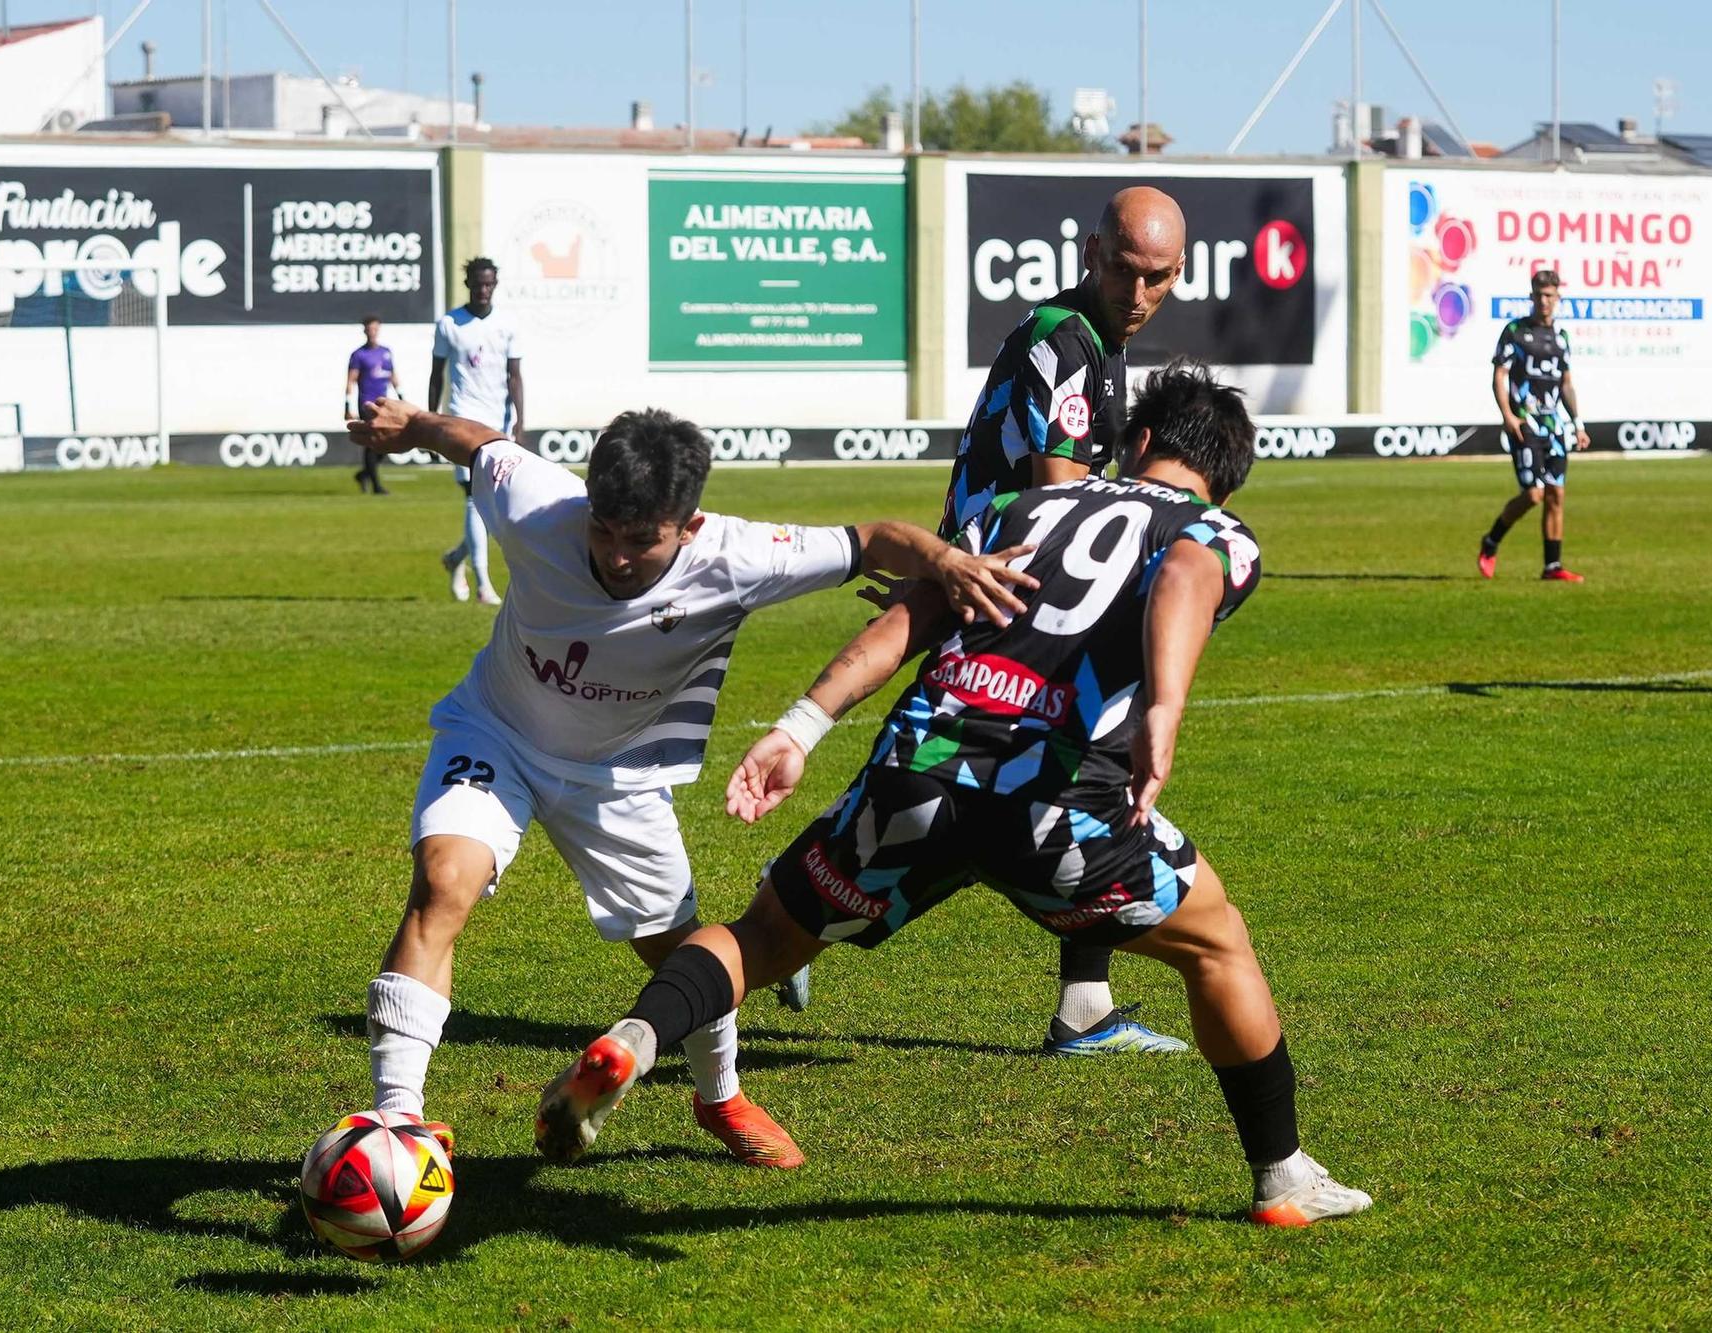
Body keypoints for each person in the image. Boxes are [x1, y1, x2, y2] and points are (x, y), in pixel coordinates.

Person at [536, 362, 1373, 1226]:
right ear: (1225, 475)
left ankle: (638, 1036)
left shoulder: (1020, 510)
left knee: (765, 935)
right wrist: (1164, 703)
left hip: (919, 768)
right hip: (1053, 799)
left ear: (1142, 442)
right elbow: (1187, 572)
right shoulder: (1218, 530)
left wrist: (801, 724)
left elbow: (915, 616)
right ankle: (1283, 1177)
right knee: (1218, 942)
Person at [345, 397, 1036, 1169]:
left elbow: (871, 539)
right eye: (603, 530)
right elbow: (474, 441)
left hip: (621, 778)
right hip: (496, 733)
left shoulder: (740, 555)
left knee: (686, 952)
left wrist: (945, 562)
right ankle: (394, 1121)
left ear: (690, 524)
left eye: (641, 540)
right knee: (443, 883)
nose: (615, 554)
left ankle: (720, 1095)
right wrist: (409, 426)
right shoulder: (538, 500)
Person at [934, 185, 1191, 1056]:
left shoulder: (1092, 342)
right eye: (1125, 268)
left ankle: (1085, 1002)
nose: (1139, 290)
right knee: (1042, 785)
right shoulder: (1072, 341)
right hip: (1011, 586)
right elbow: (1060, 492)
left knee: (1026, 778)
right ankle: (797, 918)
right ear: (1090, 253)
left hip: (997, 576)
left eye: (1157, 276)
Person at [1479, 269, 1589, 583]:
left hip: (1554, 428)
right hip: (1525, 425)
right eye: (1539, 295)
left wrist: (1577, 424)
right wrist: (1508, 415)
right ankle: (1491, 541)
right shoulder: (1515, 331)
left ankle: (1552, 566)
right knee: (1533, 494)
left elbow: (1566, 383)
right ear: (1531, 297)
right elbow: (1499, 376)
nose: (1544, 301)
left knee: (1557, 494)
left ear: (1558, 298)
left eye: (1550, 295)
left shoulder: (1561, 337)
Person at [431, 258, 522, 605]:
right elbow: (436, 374)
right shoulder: (449, 323)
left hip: (497, 422)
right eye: (477, 284)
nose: (483, 291)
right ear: (467, 283)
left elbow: (515, 375)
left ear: (495, 285)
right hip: (461, 417)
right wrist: (432, 421)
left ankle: (456, 559)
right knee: (473, 498)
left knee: (494, 509)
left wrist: (520, 422)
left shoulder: (507, 324)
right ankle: (484, 584)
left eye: (488, 285)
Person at [345, 316, 399, 495]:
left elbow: (392, 377)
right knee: (373, 442)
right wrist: (347, 406)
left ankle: (364, 474)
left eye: (375, 329)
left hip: (384, 404)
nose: (372, 332)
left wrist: (402, 398)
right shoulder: (359, 355)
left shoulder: (386, 352)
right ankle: (376, 486)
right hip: (367, 404)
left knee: (388, 441)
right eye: (369, 329)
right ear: (365, 331)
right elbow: (351, 381)